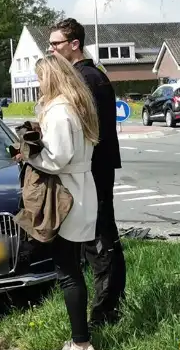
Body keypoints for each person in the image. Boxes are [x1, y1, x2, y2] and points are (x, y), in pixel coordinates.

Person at [47, 19, 126, 332]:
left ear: (74, 44)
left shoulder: (87, 79)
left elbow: (83, 131)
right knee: (94, 236)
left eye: (57, 44)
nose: (52, 50)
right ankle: (102, 306)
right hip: (90, 169)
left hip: (94, 169)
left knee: (101, 237)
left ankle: (107, 310)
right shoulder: (86, 76)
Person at [27, 54, 102, 350]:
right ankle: (78, 342)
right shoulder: (78, 106)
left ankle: (83, 347)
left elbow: (56, 159)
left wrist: (28, 155)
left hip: (66, 195)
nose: (37, 85)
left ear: (51, 79)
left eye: (40, 78)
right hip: (80, 190)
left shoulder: (59, 111)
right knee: (70, 267)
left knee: (67, 272)